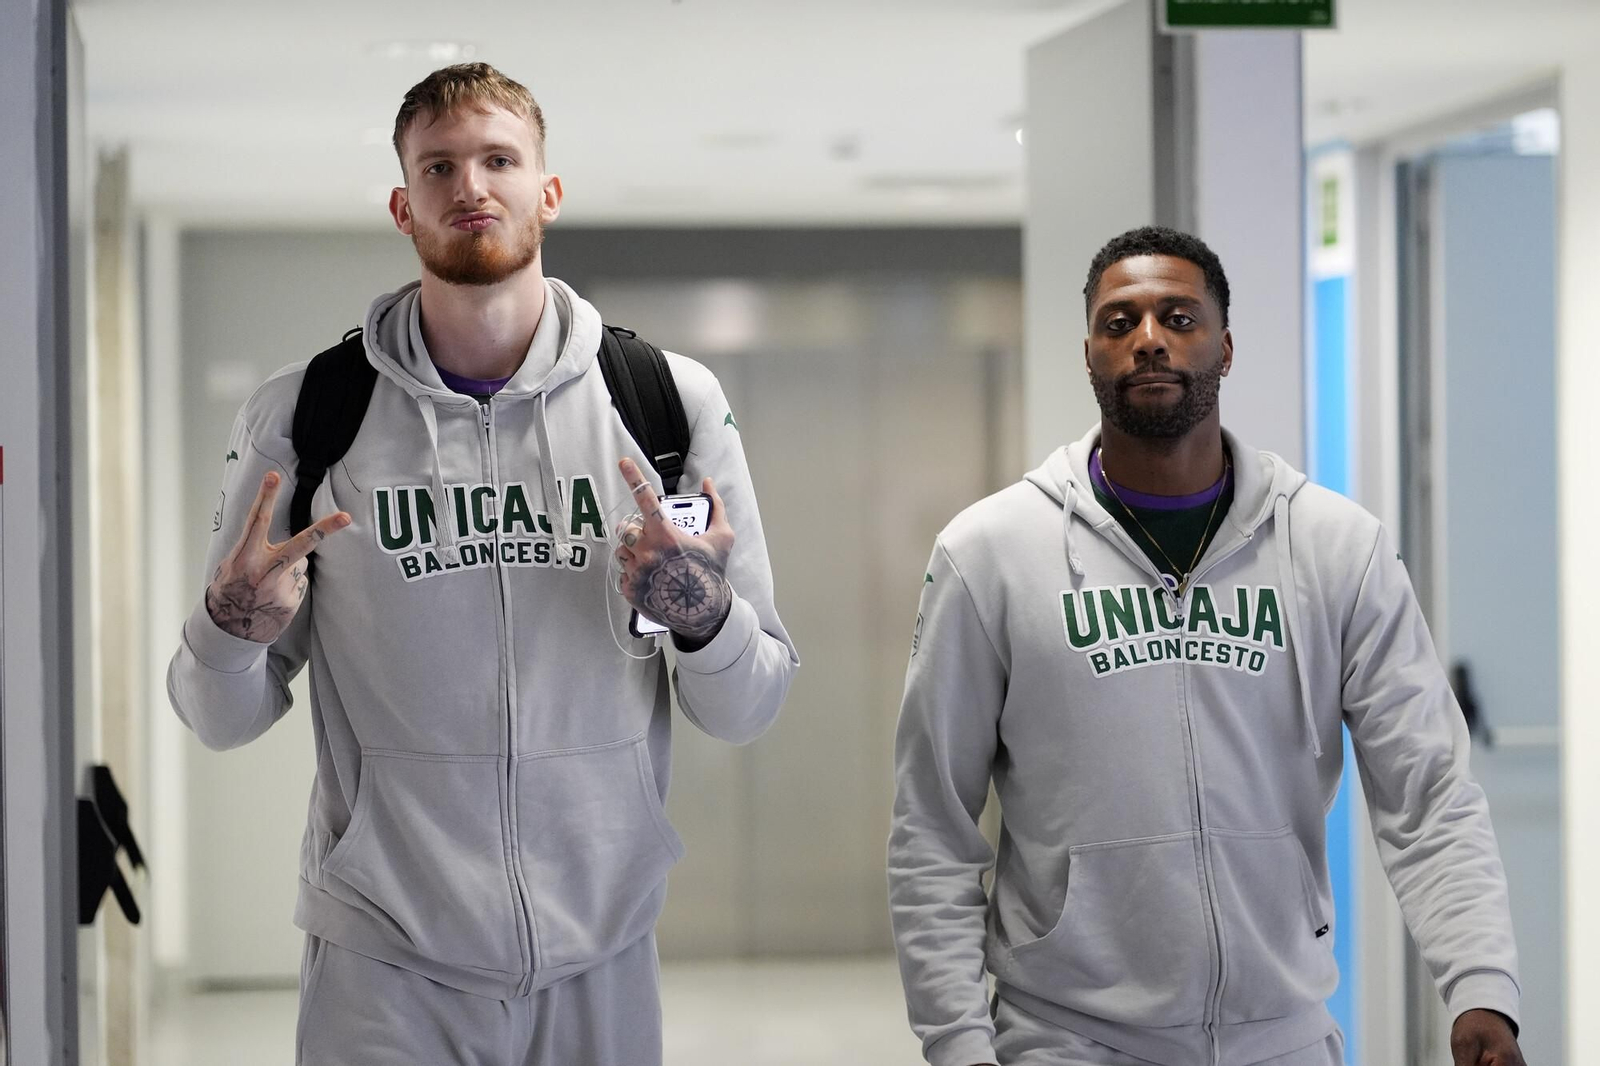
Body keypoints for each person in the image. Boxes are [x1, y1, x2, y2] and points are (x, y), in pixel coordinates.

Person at [167, 62, 798, 1066]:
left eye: (500, 160)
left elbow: (749, 704)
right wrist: (227, 628)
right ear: (402, 206)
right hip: (384, 960)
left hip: (600, 951)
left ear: (548, 191)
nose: (471, 186)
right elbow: (217, 716)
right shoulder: (307, 414)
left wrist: (704, 615)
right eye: (439, 166)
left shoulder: (664, 403)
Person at [887, 226, 1524, 1066]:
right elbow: (931, 826)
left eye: (1179, 318)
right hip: (1067, 1037)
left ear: (1225, 348)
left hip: (1282, 1036)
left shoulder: (1336, 548)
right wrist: (959, 1045)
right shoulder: (990, 554)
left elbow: (1429, 790)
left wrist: (1481, 985)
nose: (1149, 338)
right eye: (1120, 323)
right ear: (1089, 355)